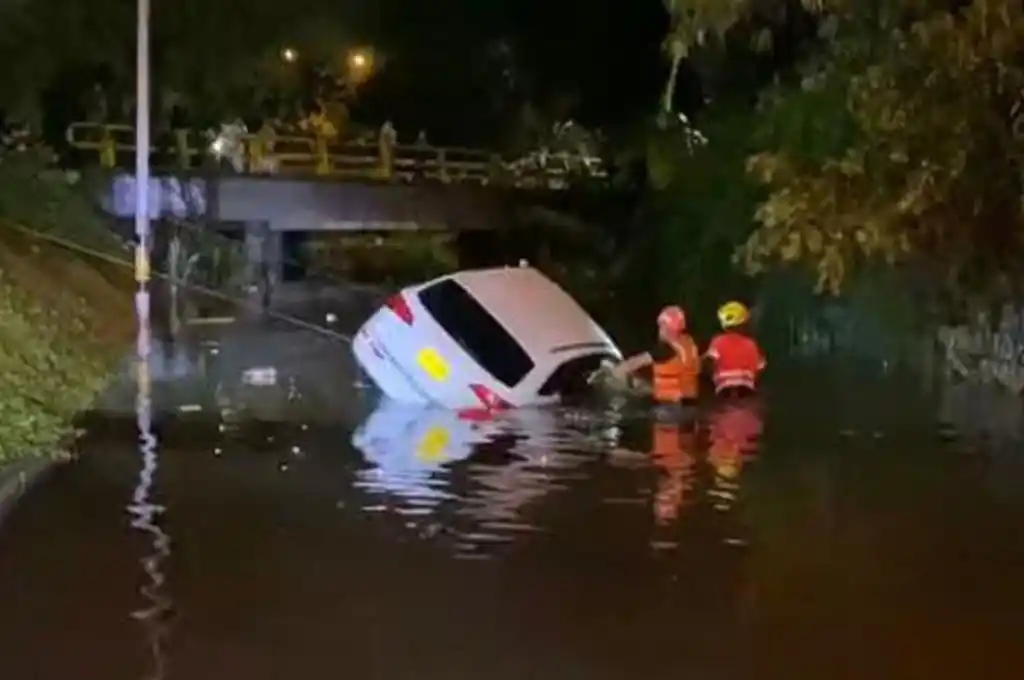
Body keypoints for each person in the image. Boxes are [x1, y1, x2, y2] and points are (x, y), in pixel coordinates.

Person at [607, 305, 701, 407]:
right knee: (640, 384)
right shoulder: (688, 343)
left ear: (664, 326)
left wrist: (610, 374)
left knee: (613, 382)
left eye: (660, 326)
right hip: (690, 403)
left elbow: (629, 365)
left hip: (669, 407)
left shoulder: (664, 349)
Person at [705, 301, 766, 397]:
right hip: (746, 388)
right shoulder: (751, 344)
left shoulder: (717, 341)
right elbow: (760, 367)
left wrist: (714, 379)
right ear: (744, 323)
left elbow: (709, 362)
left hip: (723, 387)